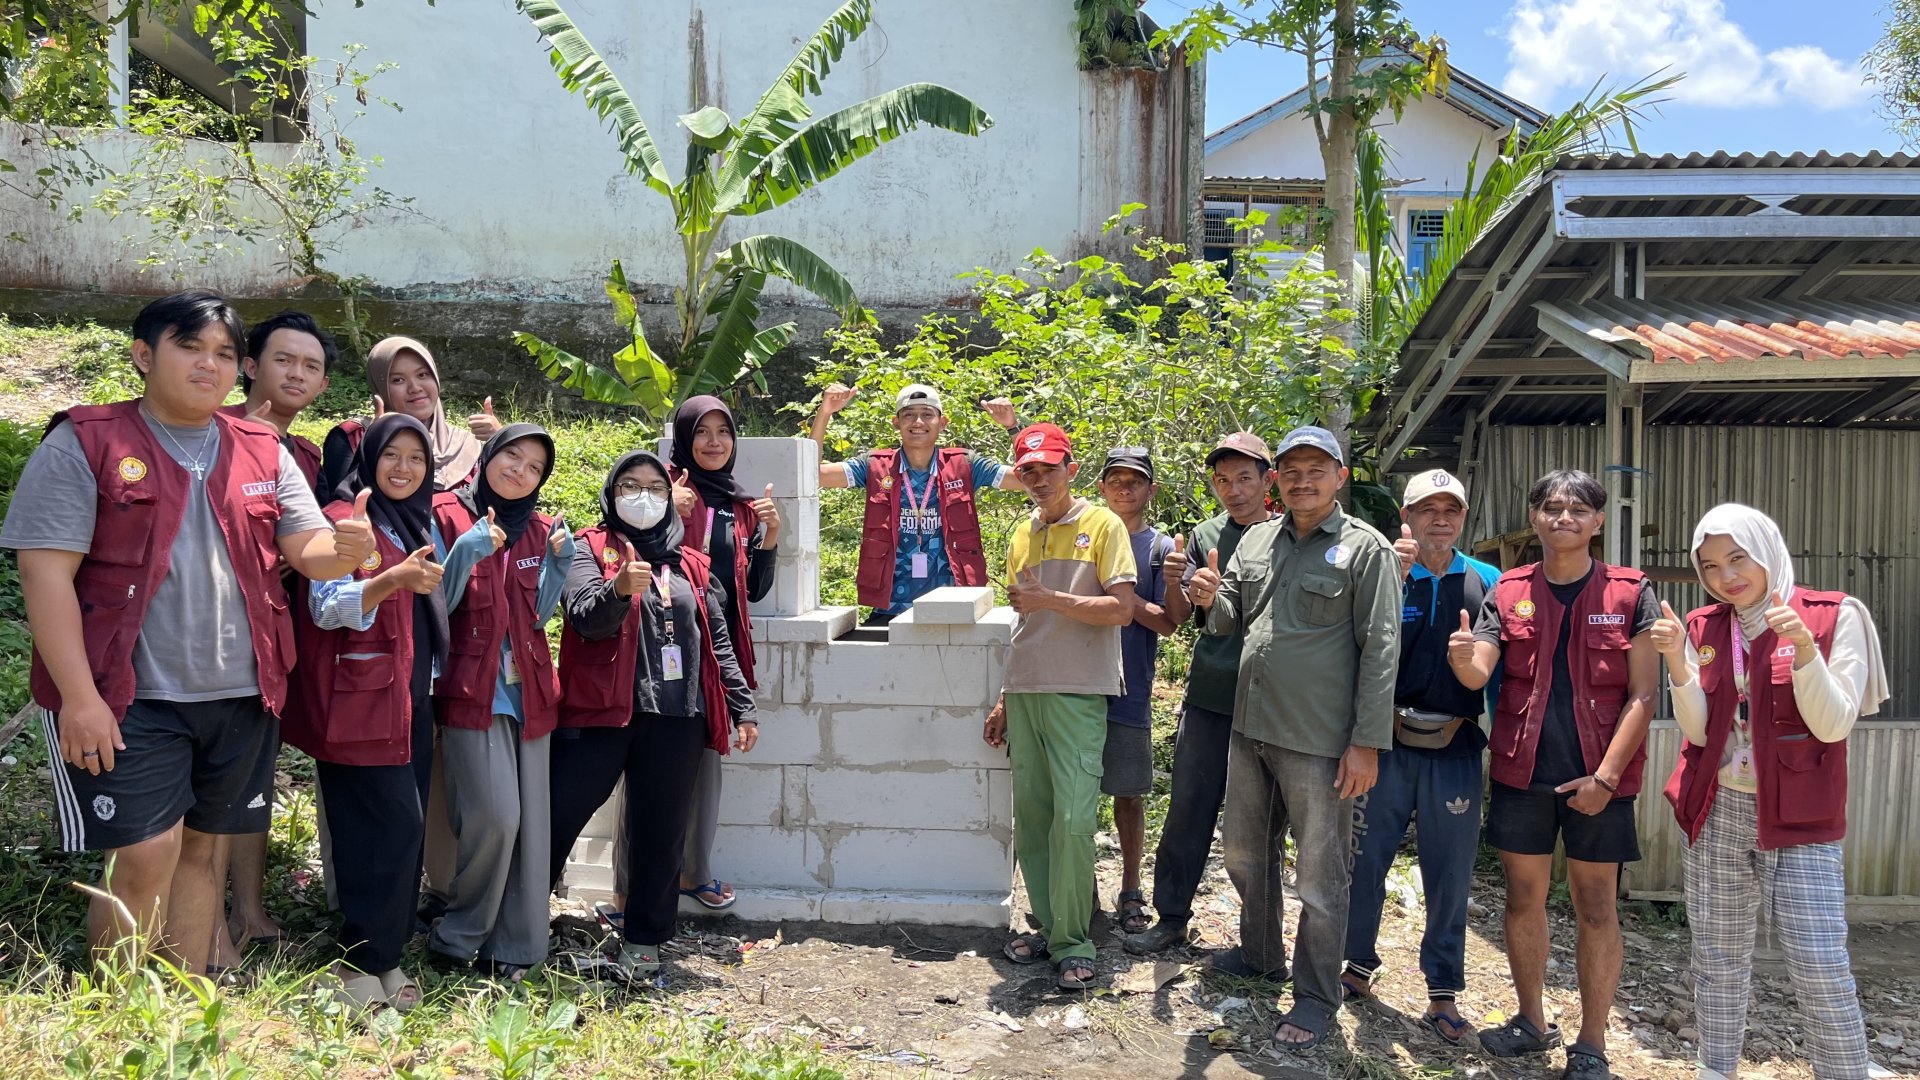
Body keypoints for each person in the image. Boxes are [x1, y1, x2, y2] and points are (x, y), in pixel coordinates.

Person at [2, 290, 371, 974]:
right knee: (144, 853)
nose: (210, 364)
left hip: (240, 691)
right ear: (145, 355)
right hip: (127, 695)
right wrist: (80, 700)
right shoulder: (85, 440)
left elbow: (309, 551)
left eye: (225, 353)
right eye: (190, 347)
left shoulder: (263, 448)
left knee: (202, 850)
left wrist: (345, 551)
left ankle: (183, 1000)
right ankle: (117, 1010)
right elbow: (45, 577)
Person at [1185, 424, 1398, 1053]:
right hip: (1250, 728)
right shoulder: (1257, 540)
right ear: (1277, 477)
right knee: (1245, 855)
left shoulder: (1366, 550)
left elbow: (1382, 648)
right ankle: (1260, 956)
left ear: (1339, 478)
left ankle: (1315, 994)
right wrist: (1205, 596)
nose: (1303, 481)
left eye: (1317, 470)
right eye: (1292, 470)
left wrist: (1367, 743)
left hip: (1321, 741)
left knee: (1319, 877)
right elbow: (1231, 618)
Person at [1655, 504, 1886, 1080]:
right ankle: (1715, 1066)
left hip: (1800, 818)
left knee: (1817, 959)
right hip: (1716, 809)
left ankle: (1844, 1069)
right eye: (1709, 567)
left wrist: (1806, 653)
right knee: (1716, 956)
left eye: (1738, 559)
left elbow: (1833, 726)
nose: (1727, 577)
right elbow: (1701, 732)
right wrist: (1677, 667)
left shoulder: (1834, 616)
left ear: (1768, 549)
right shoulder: (1705, 625)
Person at [1450, 468, 1661, 1080]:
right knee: (1523, 898)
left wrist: (1606, 779)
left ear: (1598, 522)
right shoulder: (1509, 588)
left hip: (1599, 780)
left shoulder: (1629, 592)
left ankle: (1591, 1044)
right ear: (1535, 517)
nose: (1562, 518)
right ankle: (1532, 1021)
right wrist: (1465, 659)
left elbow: (1645, 696)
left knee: (1596, 904)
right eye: (1550, 508)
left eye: (1577, 510)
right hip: (1524, 771)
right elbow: (1479, 673)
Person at [549, 451, 760, 978]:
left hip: (676, 716)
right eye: (629, 486)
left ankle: (644, 943)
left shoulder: (691, 564)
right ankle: (523, 924)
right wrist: (618, 590)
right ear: (611, 493)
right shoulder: (588, 549)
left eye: (655, 488)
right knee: (558, 816)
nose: (643, 497)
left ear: (671, 500)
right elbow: (583, 619)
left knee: (661, 833)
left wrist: (742, 707)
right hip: (600, 713)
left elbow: (718, 640)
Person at [285, 413, 451, 1015]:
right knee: (381, 831)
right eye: (392, 456)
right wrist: (391, 579)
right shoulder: (340, 521)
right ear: (369, 460)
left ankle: (387, 956)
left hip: (410, 698)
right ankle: (359, 963)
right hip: (359, 702)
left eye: (416, 458)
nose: (403, 468)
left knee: (403, 835)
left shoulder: (418, 520)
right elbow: (326, 605)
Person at [1342, 468, 1501, 1044]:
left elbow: (1502, 669)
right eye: (1426, 509)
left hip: (1455, 746)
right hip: (1383, 745)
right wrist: (1393, 577)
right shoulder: (1382, 571)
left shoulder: (1488, 580)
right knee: (1365, 860)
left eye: (1450, 509)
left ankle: (1442, 992)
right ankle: (1355, 967)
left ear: (1463, 517)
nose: (1439, 519)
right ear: (1404, 517)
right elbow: (1350, 650)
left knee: (1449, 873)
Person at [984, 423, 1137, 991]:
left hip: (1078, 692)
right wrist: (1003, 696)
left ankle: (1076, 941)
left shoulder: (1101, 524)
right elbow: (1025, 625)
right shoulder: (1020, 534)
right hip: (1025, 691)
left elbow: (1121, 610)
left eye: (1049, 468)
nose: (1039, 478)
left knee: (1073, 821)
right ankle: (1051, 928)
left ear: (1071, 469)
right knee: (1035, 818)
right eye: (1028, 470)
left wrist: (1053, 598)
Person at [424, 424, 573, 981]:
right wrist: (465, 551)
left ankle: (516, 943)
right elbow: (435, 605)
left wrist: (559, 566)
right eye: (513, 456)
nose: (520, 471)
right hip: (471, 690)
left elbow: (539, 617)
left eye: (535, 467)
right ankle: (458, 932)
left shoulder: (538, 529)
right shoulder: (447, 515)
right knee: (495, 818)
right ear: (487, 455)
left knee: (530, 826)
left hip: (530, 693)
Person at [212, 308, 336, 967]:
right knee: (211, 786)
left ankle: (250, 909)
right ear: (251, 365)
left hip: (274, 634)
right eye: (283, 359)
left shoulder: (306, 456)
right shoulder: (212, 433)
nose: (296, 373)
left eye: (310, 366)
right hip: (211, 634)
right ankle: (202, 927)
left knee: (253, 777)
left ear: (321, 386)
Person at [1126, 432, 1277, 956]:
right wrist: (1176, 581)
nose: (1232, 490)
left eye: (1244, 478)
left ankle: (1261, 945)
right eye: (1222, 480)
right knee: (1188, 808)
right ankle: (1171, 918)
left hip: (1274, 704)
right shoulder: (1204, 534)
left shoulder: (1290, 534)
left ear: (1267, 480)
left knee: (1259, 827)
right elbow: (1180, 616)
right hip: (1210, 694)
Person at [661, 396, 779, 912]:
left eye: (723, 432)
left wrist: (771, 536)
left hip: (718, 647)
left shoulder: (740, 506)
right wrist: (666, 508)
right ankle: (629, 887)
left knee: (708, 762)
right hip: (663, 642)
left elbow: (750, 589)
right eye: (702, 432)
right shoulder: (660, 486)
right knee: (653, 766)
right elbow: (631, 547)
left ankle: (694, 873)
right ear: (684, 438)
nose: (713, 442)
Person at [811, 382, 1023, 625]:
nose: (918, 422)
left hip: (953, 605)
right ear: (896, 422)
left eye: (927, 415)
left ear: (942, 424)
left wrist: (1012, 427)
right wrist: (825, 413)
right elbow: (813, 474)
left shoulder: (965, 465)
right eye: (909, 415)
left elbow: (1028, 478)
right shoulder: (874, 466)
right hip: (890, 606)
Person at [1093, 447, 1177, 933]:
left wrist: (1122, 599)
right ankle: (1080, 894)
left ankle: (1130, 889)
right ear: (1102, 487)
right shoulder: (1082, 534)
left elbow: (1168, 623)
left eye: (1135, 481)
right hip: (1076, 683)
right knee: (1076, 794)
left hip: (1130, 686)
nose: (1125, 489)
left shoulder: (1161, 549)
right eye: (1116, 480)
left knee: (1128, 793)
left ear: (1151, 490)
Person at [318, 335, 493, 498]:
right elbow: (338, 508)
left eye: (422, 375)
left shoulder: (464, 445)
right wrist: (373, 445)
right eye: (397, 380)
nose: (415, 387)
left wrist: (500, 443)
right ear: (380, 388)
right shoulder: (355, 437)